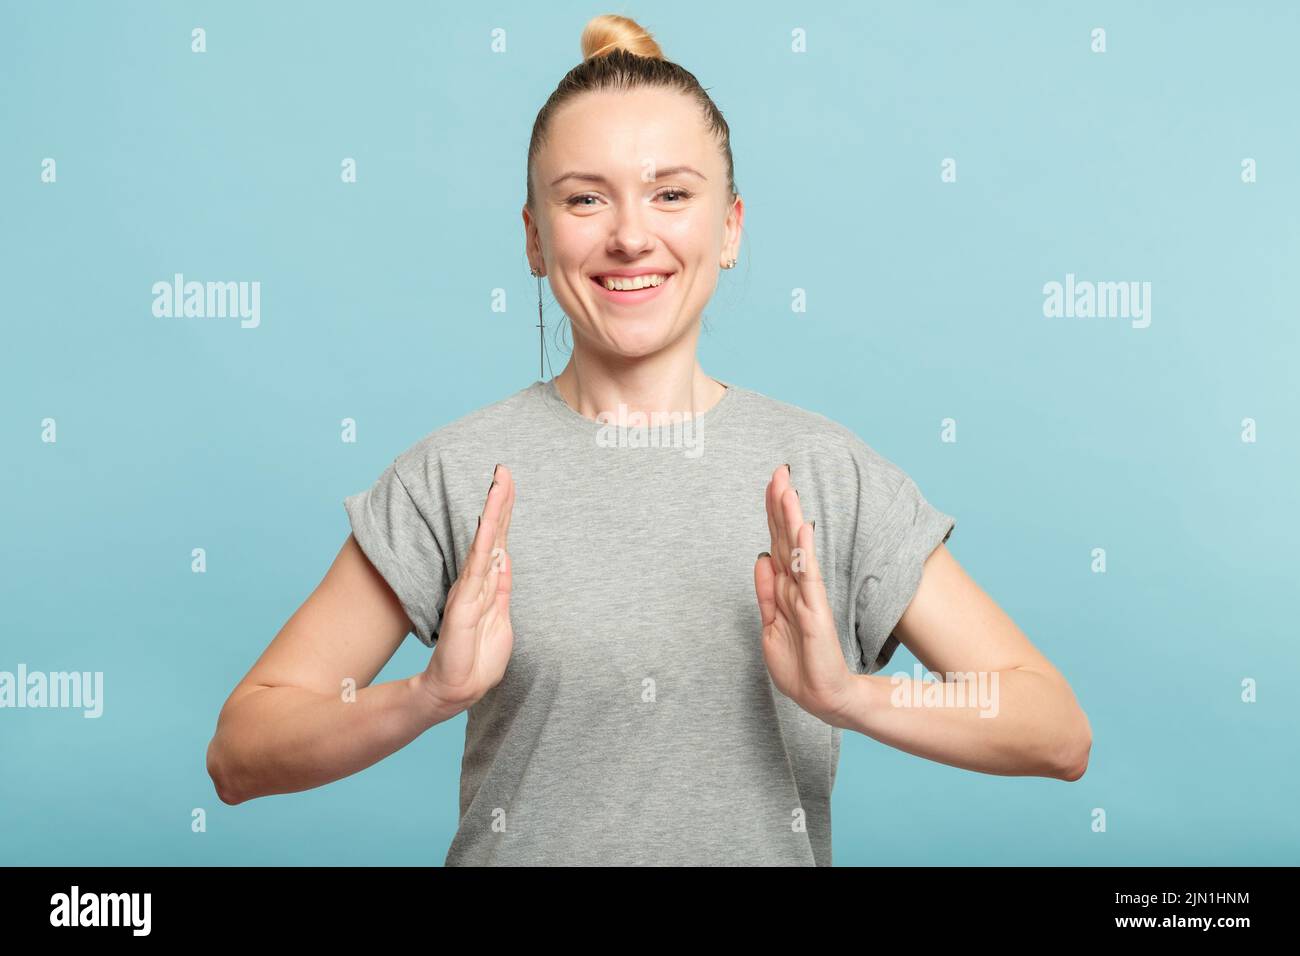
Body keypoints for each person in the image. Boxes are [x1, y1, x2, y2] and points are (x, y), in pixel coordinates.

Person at [205, 14, 1091, 866]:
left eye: (671, 194)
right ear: (534, 240)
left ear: (731, 228)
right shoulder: (455, 477)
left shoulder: (827, 476)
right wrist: (428, 696)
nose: (632, 236)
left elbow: (1054, 730)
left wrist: (851, 697)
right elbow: (241, 752)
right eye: (585, 199)